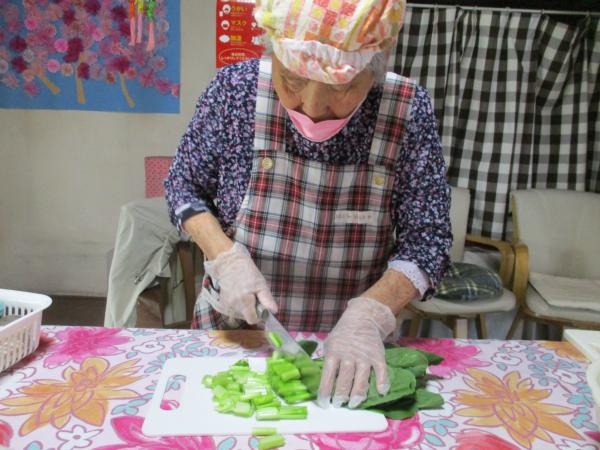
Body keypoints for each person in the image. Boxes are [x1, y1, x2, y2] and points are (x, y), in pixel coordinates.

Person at [164, 0, 452, 410]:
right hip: (236, 336)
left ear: (375, 71)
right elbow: (183, 187)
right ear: (273, 53)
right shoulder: (235, 91)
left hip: (350, 355)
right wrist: (224, 256)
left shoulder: (406, 109)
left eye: (340, 88)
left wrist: (371, 313)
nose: (312, 109)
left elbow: (428, 240)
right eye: (293, 80)